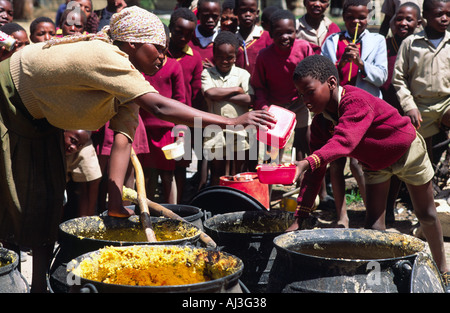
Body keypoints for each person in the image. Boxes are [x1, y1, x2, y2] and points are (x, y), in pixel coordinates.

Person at [0, 6, 275, 292]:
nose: (163, 56)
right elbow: (160, 105)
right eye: (157, 47)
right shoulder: (105, 55)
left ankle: (38, 287)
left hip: (38, 119)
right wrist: (231, 121)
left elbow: (123, 138)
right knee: (12, 199)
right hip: (7, 100)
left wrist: (115, 199)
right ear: (132, 43)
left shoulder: (126, 80)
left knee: (48, 201)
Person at [288, 54, 449, 288]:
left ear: (331, 83)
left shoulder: (355, 101)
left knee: (426, 214)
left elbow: (345, 141)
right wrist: (300, 217)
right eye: (301, 95)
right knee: (373, 226)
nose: (305, 100)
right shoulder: (321, 124)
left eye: (310, 92)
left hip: (407, 151)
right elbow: (315, 173)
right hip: (374, 163)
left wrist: (306, 162)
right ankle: (379, 280)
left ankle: (442, 269)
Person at [321, 0, 388, 227]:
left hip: (364, 109)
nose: (356, 22)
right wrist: (340, 63)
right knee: (337, 162)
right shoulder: (332, 41)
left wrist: (360, 64)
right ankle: (342, 216)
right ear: (344, 17)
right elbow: (324, 77)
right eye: (351, 17)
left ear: (368, 17)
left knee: (360, 163)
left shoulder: (377, 41)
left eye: (361, 17)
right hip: (336, 110)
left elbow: (381, 78)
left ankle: (372, 213)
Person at [251, 9, 314, 172]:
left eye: (289, 32)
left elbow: (313, 76)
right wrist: (264, 107)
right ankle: (267, 192)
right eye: (279, 33)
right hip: (275, 108)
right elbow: (259, 86)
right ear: (270, 33)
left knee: (305, 146)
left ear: (296, 31)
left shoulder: (304, 48)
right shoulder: (264, 56)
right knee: (271, 154)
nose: (285, 37)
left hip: (300, 103)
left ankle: (305, 190)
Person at [392, 0, 450, 162]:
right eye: (439, 14)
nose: (444, 19)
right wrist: (409, 106)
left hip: (446, 102)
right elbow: (398, 78)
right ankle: (429, 181)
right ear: (425, 17)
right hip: (420, 106)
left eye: (448, 14)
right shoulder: (410, 44)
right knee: (420, 154)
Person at [380, 2, 422, 223]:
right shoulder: (384, 45)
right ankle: (385, 208)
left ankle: (419, 210)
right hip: (386, 109)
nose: (403, 24)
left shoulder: (419, 47)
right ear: (392, 21)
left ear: (419, 23)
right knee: (387, 161)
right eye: (399, 19)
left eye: (409, 20)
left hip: (415, 111)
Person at [141, 25, 187, 204]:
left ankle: (171, 216)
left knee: (167, 176)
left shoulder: (174, 67)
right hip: (144, 131)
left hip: (166, 133)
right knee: (145, 176)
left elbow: (179, 102)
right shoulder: (140, 66)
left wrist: (180, 134)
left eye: (163, 45)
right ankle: (147, 215)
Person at [201, 31, 254, 186]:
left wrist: (219, 95)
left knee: (238, 172)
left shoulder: (242, 74)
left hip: (239, 129)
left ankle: (236, 199)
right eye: (220, 57)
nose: (225, 61)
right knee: (216, 170)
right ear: (214, 55)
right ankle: (217, 202)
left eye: (229, 57)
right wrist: (237, 90)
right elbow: (209, 92)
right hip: (214, 129)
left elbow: (249, 99)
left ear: (236, 56)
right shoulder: (207, 73)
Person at [167, 7, 204, 202]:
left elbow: (197, 90)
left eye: (188, 33)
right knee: (161, 166)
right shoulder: (160, 53)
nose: (183, 37)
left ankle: (179, 203)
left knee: (181, 165)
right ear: (171, 28)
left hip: (184, 119)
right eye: (179, 32)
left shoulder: (194, 57)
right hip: (161, 118)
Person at [64, 130, 102, 219]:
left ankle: (86, 222)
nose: (74, 147)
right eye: (72, 141)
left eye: (78, 145)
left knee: (89, 180)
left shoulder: (82, 141)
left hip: (85, 130)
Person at [235, 0, 273, 78]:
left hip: (260, 88)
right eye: (243, 10)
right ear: (236, 11)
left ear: (257, 13)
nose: (248, 14)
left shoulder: (267, 37)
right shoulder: (231, 39)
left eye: (252, 11)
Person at [189, 0, 221, 68]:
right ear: (198, 15)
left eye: (215, 16)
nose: (210, 20)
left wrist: (215, 70)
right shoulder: (188, 37)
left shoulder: (222, 41)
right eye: (206, 16)